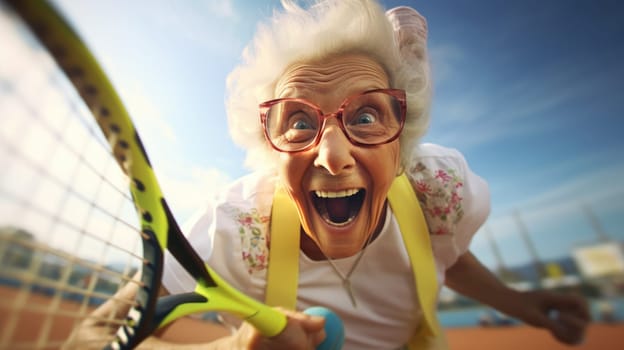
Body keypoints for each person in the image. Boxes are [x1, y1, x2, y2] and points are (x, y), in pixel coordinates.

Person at [70, 0, 590, 349]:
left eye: (366, 117)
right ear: (269, 150)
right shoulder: (233, 227)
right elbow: (93, 336)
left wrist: (521, 303)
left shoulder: (438, 191)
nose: (332, 156)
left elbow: (441, 255)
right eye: (298, 122)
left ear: (403, 142)